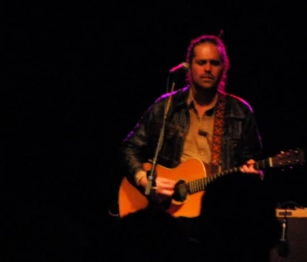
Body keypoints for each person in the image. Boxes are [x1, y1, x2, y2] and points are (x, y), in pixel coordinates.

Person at [113, 34, 273, 261]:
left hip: (217, 220)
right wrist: (144, 180)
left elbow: (254, 163)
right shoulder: (166, 107)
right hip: (169, 219)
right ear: (190, 66)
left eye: (214, 63)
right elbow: (128, 148)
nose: (208, 68)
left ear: (223, 67)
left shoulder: (240, 112)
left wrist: (253, 174)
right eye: (201, 62)